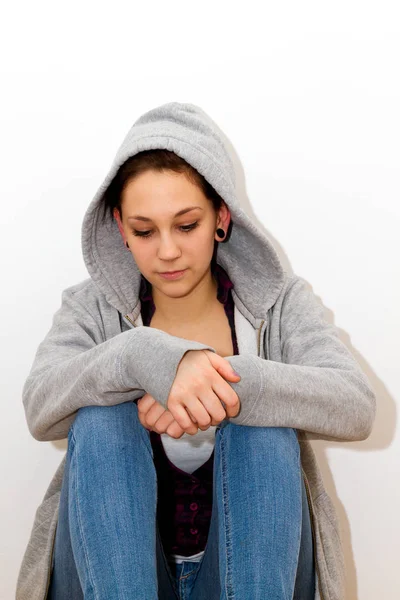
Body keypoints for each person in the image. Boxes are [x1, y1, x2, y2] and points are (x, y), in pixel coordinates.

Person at [16, 102, 376, 600]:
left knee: (264, 431)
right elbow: (39, 408)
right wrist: (142, 357)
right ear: (120, 227)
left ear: (221, 218)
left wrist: (217, 382)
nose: (167, 251)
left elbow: (356, 406)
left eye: (186, 225)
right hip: (111, 577)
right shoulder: (91, 308)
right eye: (144, 231)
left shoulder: (278, 302)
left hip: (253, 575)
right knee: (102, 421)